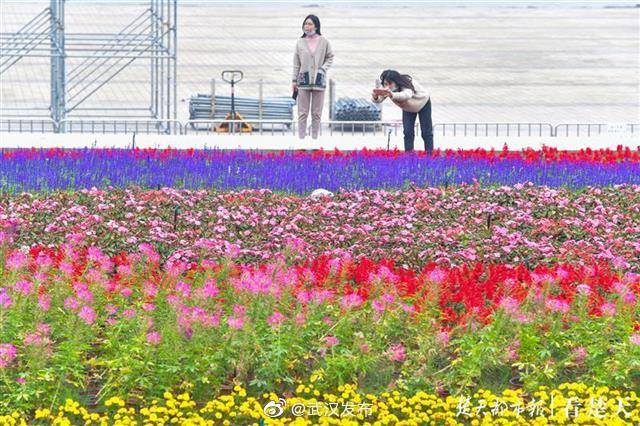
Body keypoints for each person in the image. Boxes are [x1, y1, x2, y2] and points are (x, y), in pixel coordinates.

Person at [292, 14, 334, 140]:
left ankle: (315, 139)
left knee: (316, 113)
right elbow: (296, 63)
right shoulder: (300, 42)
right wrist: (294, 80)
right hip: (303, 80)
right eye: (305, 24)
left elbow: (330, 57)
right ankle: (301, 139)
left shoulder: (324, 41)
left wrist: (323, 69)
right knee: (302, 113)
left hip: (319, 81)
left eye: (310, 24)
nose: (307, 26)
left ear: (316, 25)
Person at [372, 70, 433, 154]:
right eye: (385, 84)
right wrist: (375, 97)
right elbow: (379, 99)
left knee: (426, 132)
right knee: (408, 132)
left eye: (390, 83)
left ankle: (430, 155)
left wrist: (392, 95)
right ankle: (409, 155)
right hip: (408, 108)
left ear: (396, 81)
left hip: (422, 103)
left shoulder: (406, 82)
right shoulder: (388, 89)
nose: (388, 86)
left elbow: (406, 95)